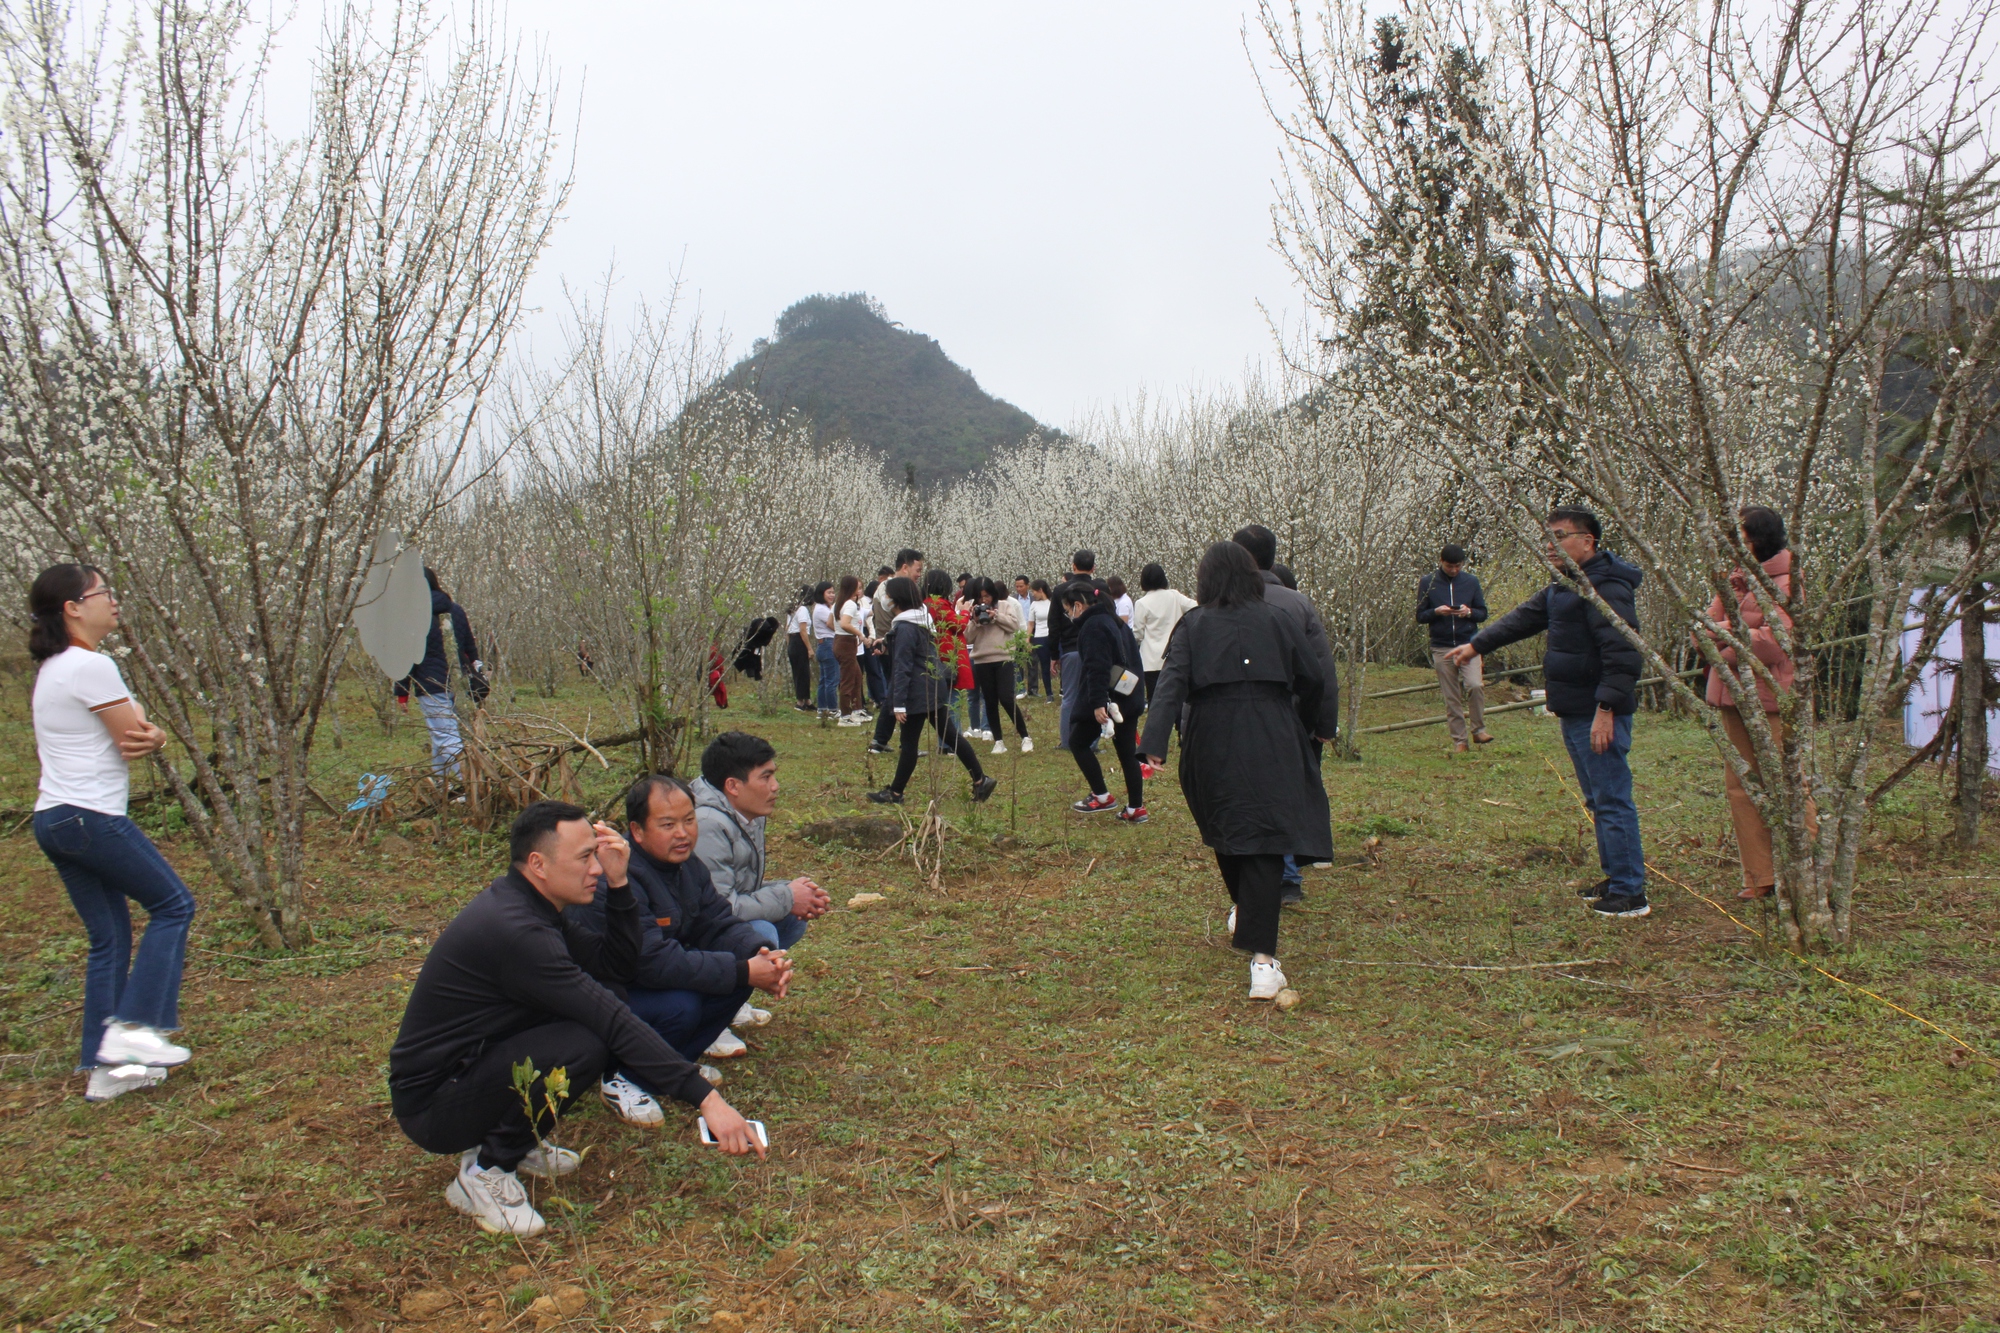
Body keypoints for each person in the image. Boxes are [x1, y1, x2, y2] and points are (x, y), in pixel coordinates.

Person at [389, 801, 766, 1237]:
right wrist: (707, 1100)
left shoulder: (533, 905)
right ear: (538, 864)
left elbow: (616, 967)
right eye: (585, 857)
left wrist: (621, 884)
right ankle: (486, 1170)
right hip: (435, 1104)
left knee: (604, 1005)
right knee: (588, 1039)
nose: (596, 869)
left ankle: (513, 1137)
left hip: (473, 1066)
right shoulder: (517, 931)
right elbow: (609, 1018)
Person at [28, 564, 196, 1103]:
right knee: (173, 905)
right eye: (103, 593)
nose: (113, 601)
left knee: (110, 937)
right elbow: (134, 737)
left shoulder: (55, 667)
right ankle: (136, 1031)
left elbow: (132, 734)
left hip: (54, 819)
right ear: (73, 608)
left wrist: (147, 728)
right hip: (90, 817)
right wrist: (153, 726)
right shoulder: (89, 666)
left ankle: (104, 1068)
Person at [1140, 542, 1333, 1000]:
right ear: (1251, 576)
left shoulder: (1194, 625)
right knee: (1262, 836)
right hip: (1272, 732)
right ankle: (1259, 949)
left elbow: (1170, 684)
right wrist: (1303, 725)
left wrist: (1154, 743)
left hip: (1211, 735)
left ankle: (1261, 952)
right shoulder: (1280, 619)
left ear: (1206, 580)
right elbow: (1314, 677)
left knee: (1228, 827)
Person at [1447, 506, 1649, 918]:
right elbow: (1525, 618)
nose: (1550, 546)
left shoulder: (1606, 587)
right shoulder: (1566, 585)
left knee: (1611, 798)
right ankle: (1617, 878)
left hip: (1597, 709)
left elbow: (1623, 651)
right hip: (1576, 707)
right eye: (1547, 538)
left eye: (1560, 536)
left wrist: (1607, 707)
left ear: (1588, 540)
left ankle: (1631, 893)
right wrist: (1477, 645)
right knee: (1597, 798)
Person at [579, 774, 795, 1125]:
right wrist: (743, 970)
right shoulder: (618, 874)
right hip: (605, 991)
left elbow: (717, 922)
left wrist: (761, 954)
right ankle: (623, 1078)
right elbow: (648, 962)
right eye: (668, 824)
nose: (683, 833)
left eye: (689, 820)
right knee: (682, 1004)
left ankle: (675, 1063)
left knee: (738, 975)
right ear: (637, 830)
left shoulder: (687, 866)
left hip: (650, 975)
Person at [1701, 506, 1816, 902]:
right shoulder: (1733, 580)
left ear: (1760, 539)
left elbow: (1772, 643)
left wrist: (1724, 635)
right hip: (1731, 693)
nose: (1734, 544)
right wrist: (1730, 632)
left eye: (1741, 537)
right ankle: (1759, 876)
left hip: (1770, 699)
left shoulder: (1787, 582)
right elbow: (1707, 630)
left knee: (1787, 782)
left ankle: (1809, 868)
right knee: (1741, 786)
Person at [1231, 527, 1341, 905]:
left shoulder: (1224, 604)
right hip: (1295, 715)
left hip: (1243, 719)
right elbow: (1322, 669)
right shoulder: (1298, 603)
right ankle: (1289, 875)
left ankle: (1258, 875)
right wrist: (1322, 724)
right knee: (1292, 793)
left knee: (1250, 793)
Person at [692, 732, 831, 960]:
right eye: (765, 778)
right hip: (690, 933)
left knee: (792, 920)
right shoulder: (707, 825)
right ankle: (723, 987)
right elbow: (718, 908)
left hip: (717, 917)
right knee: (761, 932)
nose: (775, 787)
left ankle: (735, 990)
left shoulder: (747, 812)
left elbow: (741, 886)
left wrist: (798, 891)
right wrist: (787, 896)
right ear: (733, 786)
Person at [867, 576, 1000, 805]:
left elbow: (903, 667)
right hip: (930, 686)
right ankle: (980, 779)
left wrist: (898, 704)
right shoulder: (916, 620)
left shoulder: (906, 626)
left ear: (896, 599)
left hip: (918, 692)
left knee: (910, 744)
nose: (885, 599)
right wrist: (886, 644)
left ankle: (896, 793)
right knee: (950, 736)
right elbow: (913, 649)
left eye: (888, 595)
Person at [1063, 583, 1148, 822]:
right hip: (1128, 695)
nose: (1069, 615)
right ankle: (1135, 808)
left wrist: (1098, 703)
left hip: (1108, 700)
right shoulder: (1116, 622)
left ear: (1078, 605)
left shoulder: (1093, 626)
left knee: (1077, 742)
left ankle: (1101, 796)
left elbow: (1097, 666)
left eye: (1068, 609)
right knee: (1127, 751)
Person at [398, 567, 483, 780]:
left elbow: (407, 656)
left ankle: (466, 785)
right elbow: (470, 648)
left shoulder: (413, 616)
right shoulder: (456, 610)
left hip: (431, 683)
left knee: (446, 737)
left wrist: (402, 691)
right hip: (460, 681)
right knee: (445, 734)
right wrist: (477, 671)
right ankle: (441, 782)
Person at [1419, 544, 1492, 751]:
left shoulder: (1471, 582)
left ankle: (1479, 730)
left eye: (1457, 566)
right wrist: (1436, 612)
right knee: (1451, 696)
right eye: (1450, 566)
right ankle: (1459, 740)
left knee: (1475, 685)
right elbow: (1420, 616)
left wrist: (1468, 613)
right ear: (1441, 562)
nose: (1454, 570)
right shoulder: (1428, 583)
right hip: (1441, 646)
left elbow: (1482, 613)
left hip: (1468, 643)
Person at [1049, 551, 1109, 750]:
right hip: (1097, 647)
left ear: (1073, 566)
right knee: (1096, 694)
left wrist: (1053, 655)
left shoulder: (1060, 590)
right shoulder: (1099, 588)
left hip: (1070, 648)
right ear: (1093, 568)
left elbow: (1054, 625)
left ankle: (1068, 741)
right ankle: (1092, 742)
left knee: (1070, 696)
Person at [965, 577, 1033, 754]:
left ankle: (1025, 737)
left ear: (993, 594)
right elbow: (967, 638)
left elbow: (1014, 625)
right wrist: (974, 620)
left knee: (1006, 698)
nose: (984, 601)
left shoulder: (1004, 605)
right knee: (989, 701)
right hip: (982, 660)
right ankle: (999, 741)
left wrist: (996, 616)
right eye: (980, 598)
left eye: (987, 596)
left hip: (1003, 658)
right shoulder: (974, 610)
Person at [868, 550, 926, 755]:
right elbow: (892, 620)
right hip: (893, 646)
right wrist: (886, 642)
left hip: (895, 644)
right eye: (917, 569)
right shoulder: (888, 589)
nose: (919, 574)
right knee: (900, 692)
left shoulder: (901, 588)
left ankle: (881, 741)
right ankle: (902, 744)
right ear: (905, 567)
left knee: (895, 692)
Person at [922, 570, 981, 738]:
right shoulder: (939, 604)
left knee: (942, 700)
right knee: (952, 699)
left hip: (936, 653)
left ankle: (946, 741)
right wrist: (964, 612)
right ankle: (951, 741)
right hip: (948, 654)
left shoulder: (925, 603)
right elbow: (958, 625)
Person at [1131, 562, 1196, 707]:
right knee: (1179, 696)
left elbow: (1138, 633)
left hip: (1151, 660)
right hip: (1175, 654)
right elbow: (1196, 607)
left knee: (1155, 699)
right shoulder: (1174, 596)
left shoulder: (1142, 603)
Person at [833, 574, 870, 724]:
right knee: (848, 680)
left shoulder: (839, 603)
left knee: (857, 676)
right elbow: (845, 623)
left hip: (841, 641)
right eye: (858, 587)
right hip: (846, 643)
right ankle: (845, 716)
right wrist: (860, 634)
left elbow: (832, 622)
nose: (859, 590)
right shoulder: (849, 604)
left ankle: (856, 710)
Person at [809, 582, 839, 717]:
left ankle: (822, 709)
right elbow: (832, 624)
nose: (832, 595)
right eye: (829, 592)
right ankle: (832, 709)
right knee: (832, 680)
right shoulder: (821, 609)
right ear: (822, 594)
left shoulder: (824, 608)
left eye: (833, 592)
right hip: (828, 644)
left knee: (824, 680)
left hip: (824, 645)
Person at [784, 587, 814, 712]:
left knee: (799, 672)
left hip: (792, 641)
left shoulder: (792, 610)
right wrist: (809, 648)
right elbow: (803, 631)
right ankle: (800, 702)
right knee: (802, 672)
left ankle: (806, 700)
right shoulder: (802, 610)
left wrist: (789, 644)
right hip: (799, 641)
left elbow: (787, 629)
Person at [1027, 579, 1054, 698]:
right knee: (1044, 665)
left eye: (1034, 591)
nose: (1033, 594)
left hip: (1052, 636)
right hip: (1040, 637)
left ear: (1040, 590)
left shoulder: (1052, 603)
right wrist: (1027, 640)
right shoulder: (1034, 605)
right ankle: (1049, 693)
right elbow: (1031, 624)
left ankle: (1063, 690)